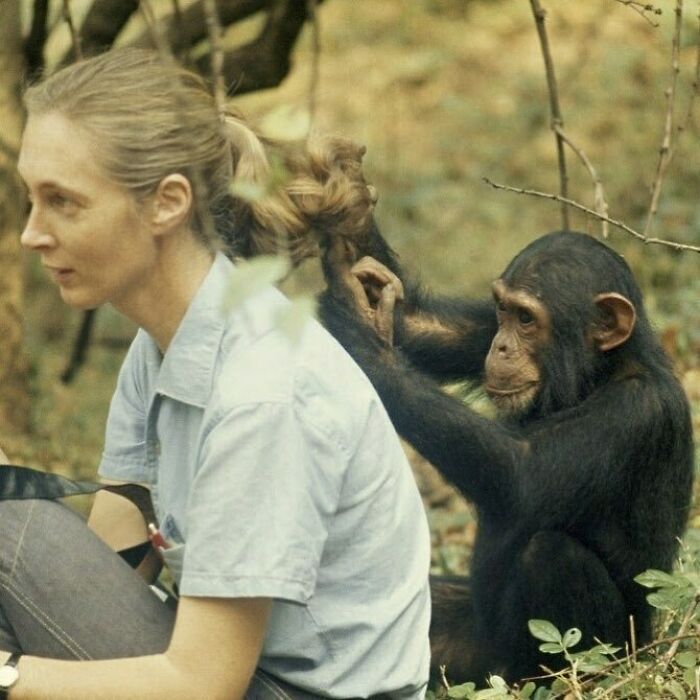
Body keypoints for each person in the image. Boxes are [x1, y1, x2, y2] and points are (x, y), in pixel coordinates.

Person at [0, 48, 431, 699]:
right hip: (235, 671)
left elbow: (203, 684)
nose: (33, 233)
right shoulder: (163, 343)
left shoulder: (264, 393)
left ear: (166, 203)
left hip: (274, 688)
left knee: (12, 527)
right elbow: (118, 565)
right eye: (32, 199)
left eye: (63, 202)